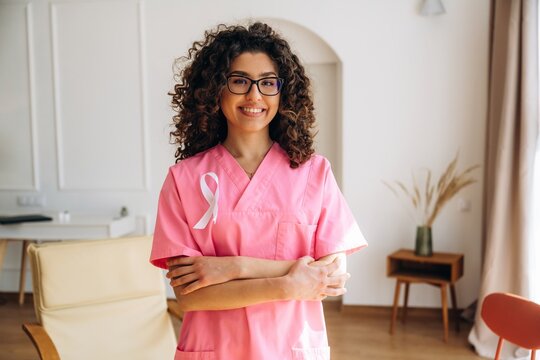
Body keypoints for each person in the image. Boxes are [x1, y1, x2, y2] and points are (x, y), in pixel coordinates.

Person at [150, 22, 367, 360]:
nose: (254, 95)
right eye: (239, 81)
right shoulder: (184, 180)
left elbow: (331, 277)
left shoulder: (314, 172)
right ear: (215, 90)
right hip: (216, 349)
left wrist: (232, 267)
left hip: (291, 347)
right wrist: (287, 283)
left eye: (267, 83)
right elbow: (190, 296)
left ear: (283, 93)